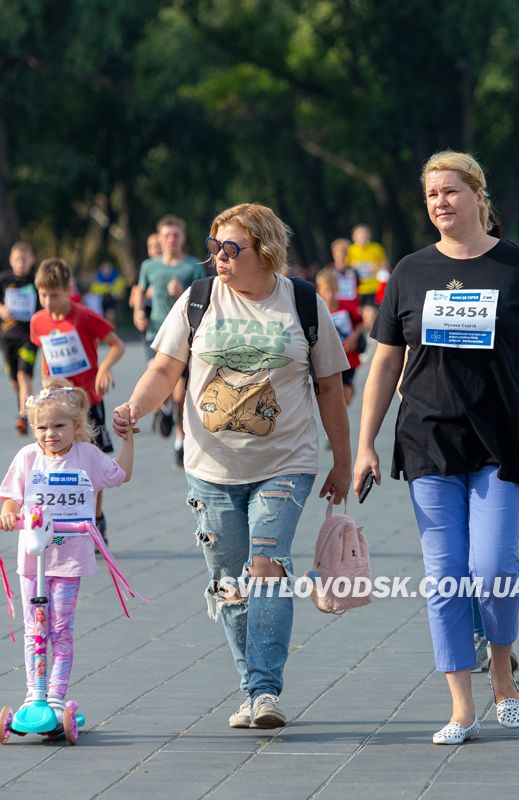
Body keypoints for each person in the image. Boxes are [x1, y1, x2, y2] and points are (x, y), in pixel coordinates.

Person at [353, 151, 519, 745]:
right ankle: (460, 706)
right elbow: (384, 362)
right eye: (431, 196)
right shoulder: (409, 271)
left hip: (505, 440)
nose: (440, 203)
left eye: (451, 191)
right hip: (428, 439)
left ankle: (502, 672)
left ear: (479, 195)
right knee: (446, 575)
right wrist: (364, 443)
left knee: (493, 566)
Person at [113, 202, 351, 730]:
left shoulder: (303, 303)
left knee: (267, 567)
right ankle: (251, 684)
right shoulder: (197, 300)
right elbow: (163, 367)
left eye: (230, 248)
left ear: (263, 251)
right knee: (228, 582)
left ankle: (264, 691)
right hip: (210, 467)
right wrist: (134, 406)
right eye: (214, 246)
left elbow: (330, 386)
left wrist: (344, 459)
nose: (218, 257)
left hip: (286, 461)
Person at [0, 377, 134, 714]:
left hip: (69, 559)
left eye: (59, 426)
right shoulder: (28, 458)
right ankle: (34, 694)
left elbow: (120, 475)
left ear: (76, 426)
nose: (50, 434)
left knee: (60, 629)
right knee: (34, 629)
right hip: (33, 558)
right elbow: (10, 500)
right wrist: (7, 516)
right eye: (41, 427)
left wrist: (128, 441)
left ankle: (55, 696)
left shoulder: (87, 456)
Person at [30, 257, 126, 540]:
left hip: (88, 403)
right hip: (57, 404)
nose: (48, 301)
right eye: (43, 295)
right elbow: (46, 356)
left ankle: (96, 520)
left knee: (90, 466)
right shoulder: (38, 321)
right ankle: (62, 520)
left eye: (54, 295)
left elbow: (116, 345)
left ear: (67, 289)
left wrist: (104, 368)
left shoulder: (83, 316)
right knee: (56, 463)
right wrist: (44, 389)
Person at [132, 216, 203, 467]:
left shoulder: (193, 266)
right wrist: (138, 312)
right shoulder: (149, 267)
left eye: (176, 235)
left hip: (184, 335)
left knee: (181, 393)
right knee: (158, 377)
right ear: (160, 239)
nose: (171, 239)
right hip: (155, 334)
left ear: (182, 238)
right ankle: (164, 409)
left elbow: (201, 300)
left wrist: (181, 293)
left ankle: (180, 441)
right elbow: (140, 291)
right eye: (167, 235)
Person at [0, 242, 39, 435]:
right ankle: (24, 406)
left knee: (24, 375)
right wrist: (2, 310)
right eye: (17, 259)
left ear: (31, 260)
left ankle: (24, 416)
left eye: (25, 259)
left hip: (29, 335)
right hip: (8, 336)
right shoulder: (3, 279)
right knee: (14, 382)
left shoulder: (35, 281)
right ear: (11, 260)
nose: (21, 263)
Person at [315, 268, 363, 405]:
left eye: (333, 290)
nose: (330, 294)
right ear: (319, 290)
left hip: (348, 356)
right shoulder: (317, 310)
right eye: (326, 290)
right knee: (333, 394)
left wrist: (353, 337)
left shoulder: (346, 306)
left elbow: (360, 322)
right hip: (328, 358)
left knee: (345, 398)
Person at [347, 224, 390, 335]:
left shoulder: (376, 248)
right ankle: (364, 341)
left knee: (370, 316)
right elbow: (344, 269)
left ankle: (373, 340)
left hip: (373, 289)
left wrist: (376, 266)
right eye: (359, 235)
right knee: (360, 319)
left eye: (365, 234)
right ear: (354, 237)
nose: (362, 237)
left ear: (369, 236)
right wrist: (352, 267)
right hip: (357, 291)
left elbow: (386, 265)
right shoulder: (351, 251)